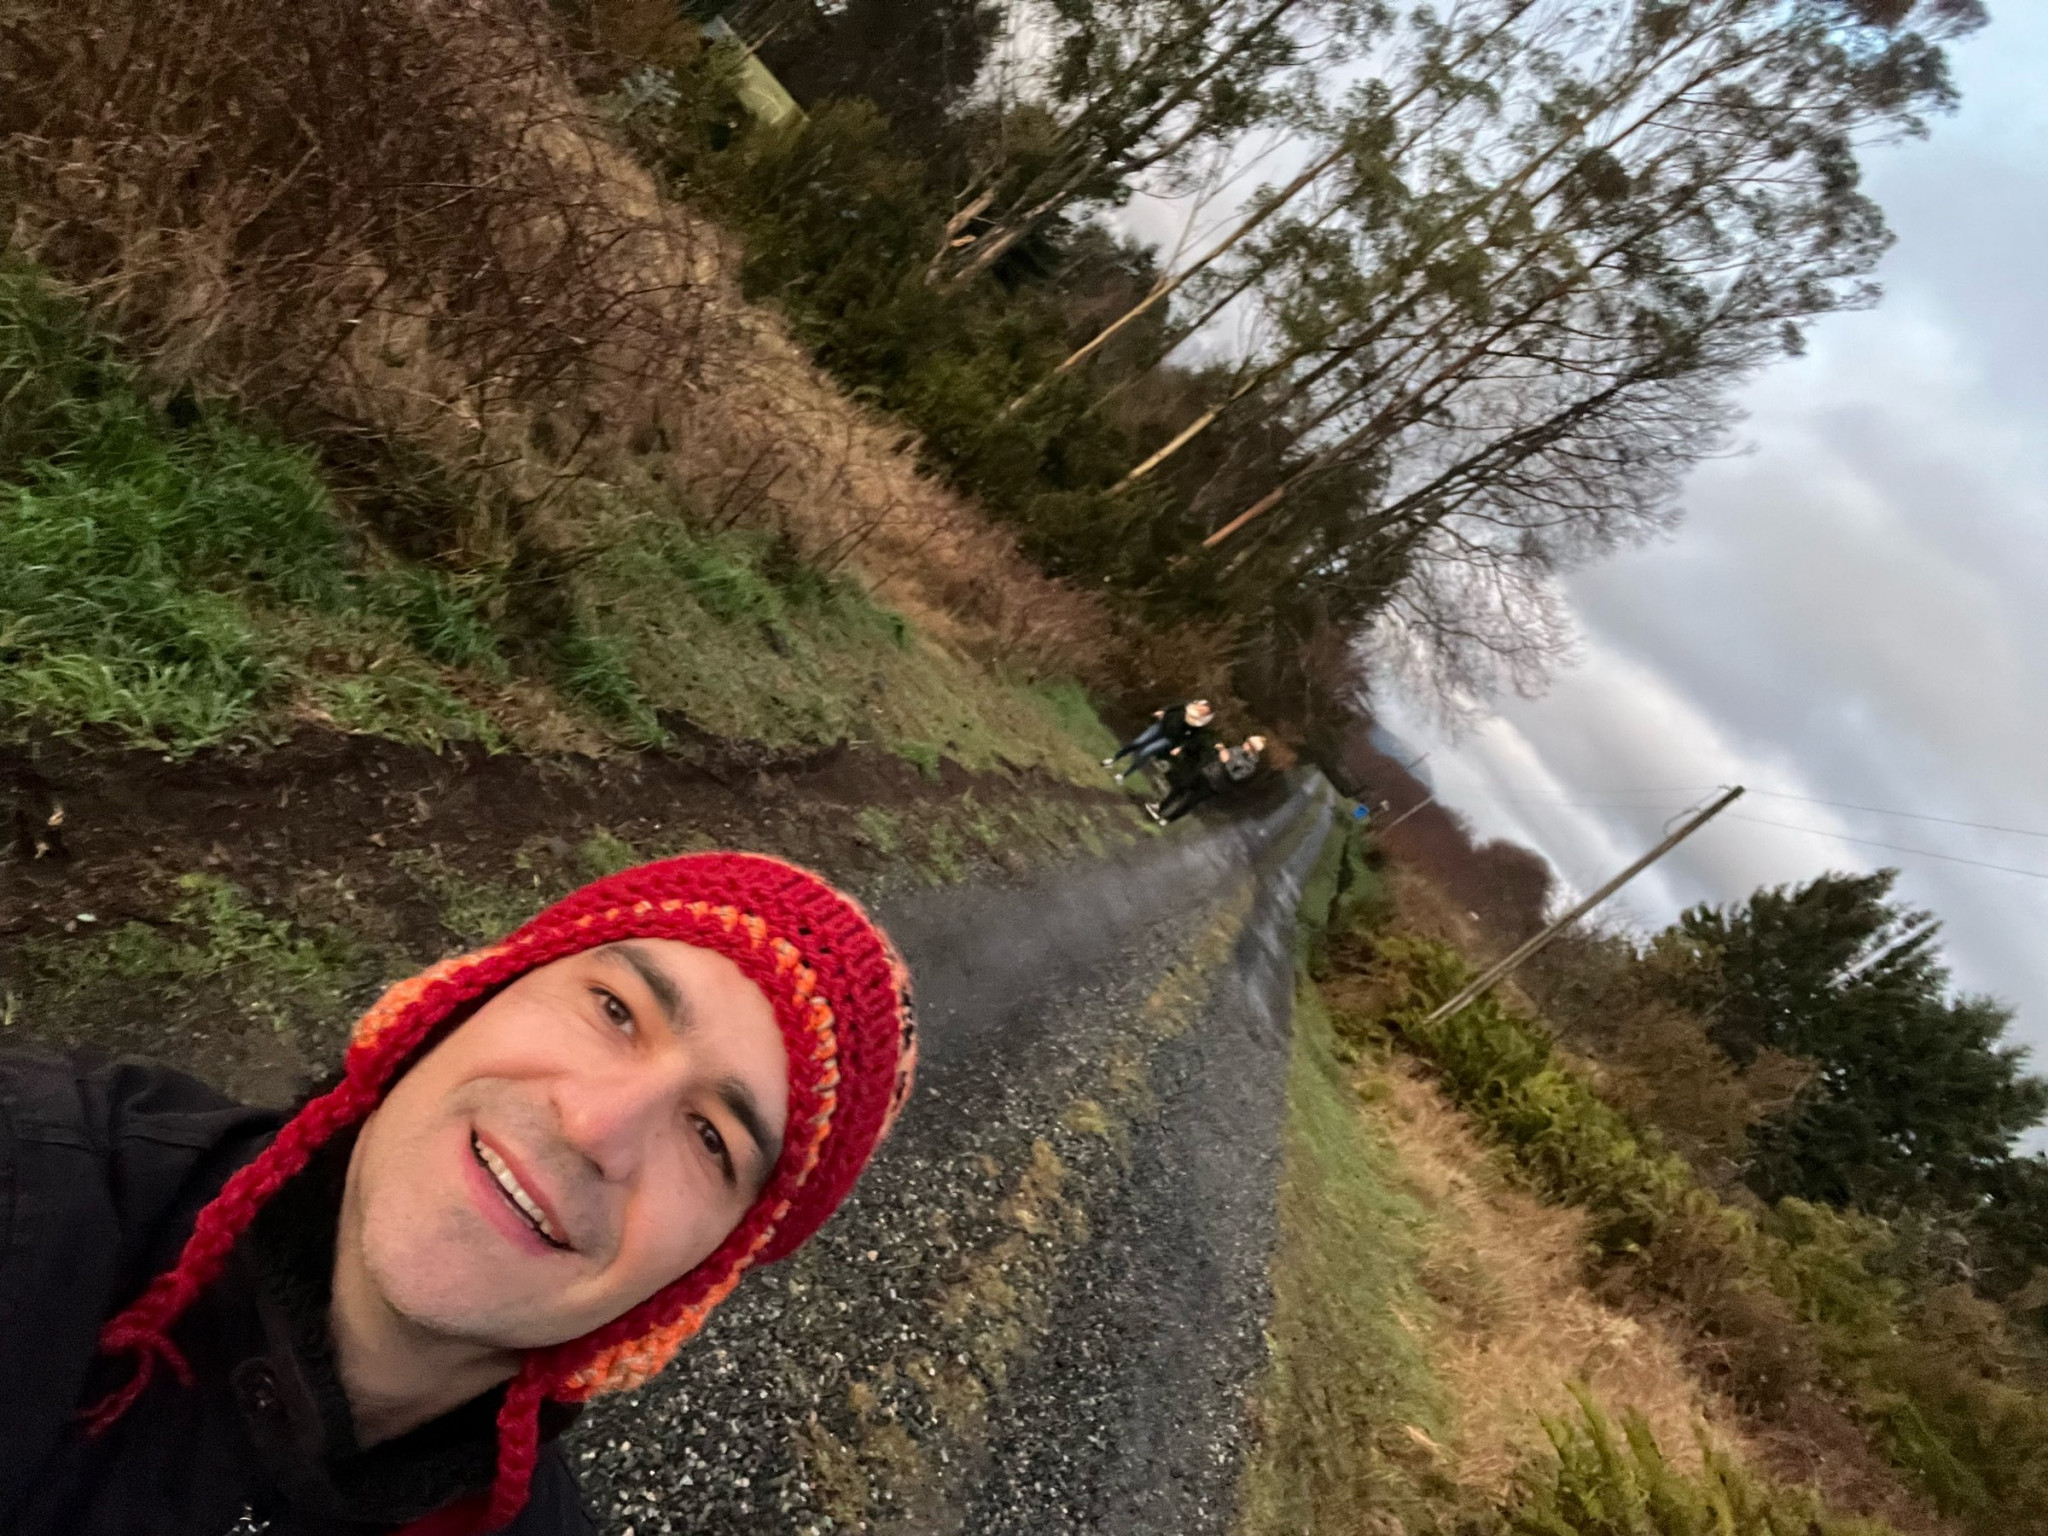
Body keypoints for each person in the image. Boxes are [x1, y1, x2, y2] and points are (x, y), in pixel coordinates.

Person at [1, 852, 917, 1536]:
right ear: (466, 997)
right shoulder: (38, 1178)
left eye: (711, 1138)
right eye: (613, 1010)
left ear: (701, 1277)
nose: (594, 1128)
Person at [1150, 734, 1267, 824]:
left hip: (1213, 785)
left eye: (1249, 744)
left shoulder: (1250, 766)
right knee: (1180, 788)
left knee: (1189, 802)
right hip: (1206, 772)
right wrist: (1220, 750)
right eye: (1247, 741)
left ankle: (1168, 819)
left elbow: (1234, 777)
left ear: (1253, 749)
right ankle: (1161, 807)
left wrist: (1226, 762)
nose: (1245, 744)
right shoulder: (1237, 749)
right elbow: (1221, 756)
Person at [1102, 698, 1215, 783]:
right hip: (1160, 727)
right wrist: (1162, 711)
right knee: (1138, 743)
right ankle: (1113, 760)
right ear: (1200, 705)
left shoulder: (1198, 724)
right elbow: (1171, 707)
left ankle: (1123, 775)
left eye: (1205, 712)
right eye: (1203, 708)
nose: (1202, 711)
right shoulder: (1186, 705)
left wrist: (1179, 748)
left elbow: (1189, 738)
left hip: (1169, 739)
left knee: (1146, 752)